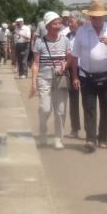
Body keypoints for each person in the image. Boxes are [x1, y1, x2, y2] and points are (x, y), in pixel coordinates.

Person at [70, 0, 107, 151]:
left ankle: (103, 137)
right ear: (89, 17)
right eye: (94, 17)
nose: (96, 19)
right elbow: (74, 56)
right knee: (88, 107)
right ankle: (90, 139)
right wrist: (74, 77)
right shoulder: (82, 31)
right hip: (86, 76)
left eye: (99, 16)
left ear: (104, 16)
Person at [29, 11, 70, 148]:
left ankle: (58, 138)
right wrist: (33, 83)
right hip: (44, 79)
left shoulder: (65, 40)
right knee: (45, 109)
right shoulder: (40, 42)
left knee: (61, 110)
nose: (58, 26)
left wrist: (66, 64)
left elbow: (70, 58)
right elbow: (35, 64)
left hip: (60, 79)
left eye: (59, 23)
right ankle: (43, 130)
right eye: (55, 23)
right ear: (47, 26)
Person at [60, 11, 83, 139]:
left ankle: (89, 129)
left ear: (79, 22)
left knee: (87, 100)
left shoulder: (85, 35)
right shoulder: (67, 36)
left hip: (85, 70)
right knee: (73, 100)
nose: (69, 24)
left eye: (71, 21)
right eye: (68, 21)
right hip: (71, 70)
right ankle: (75, 128)